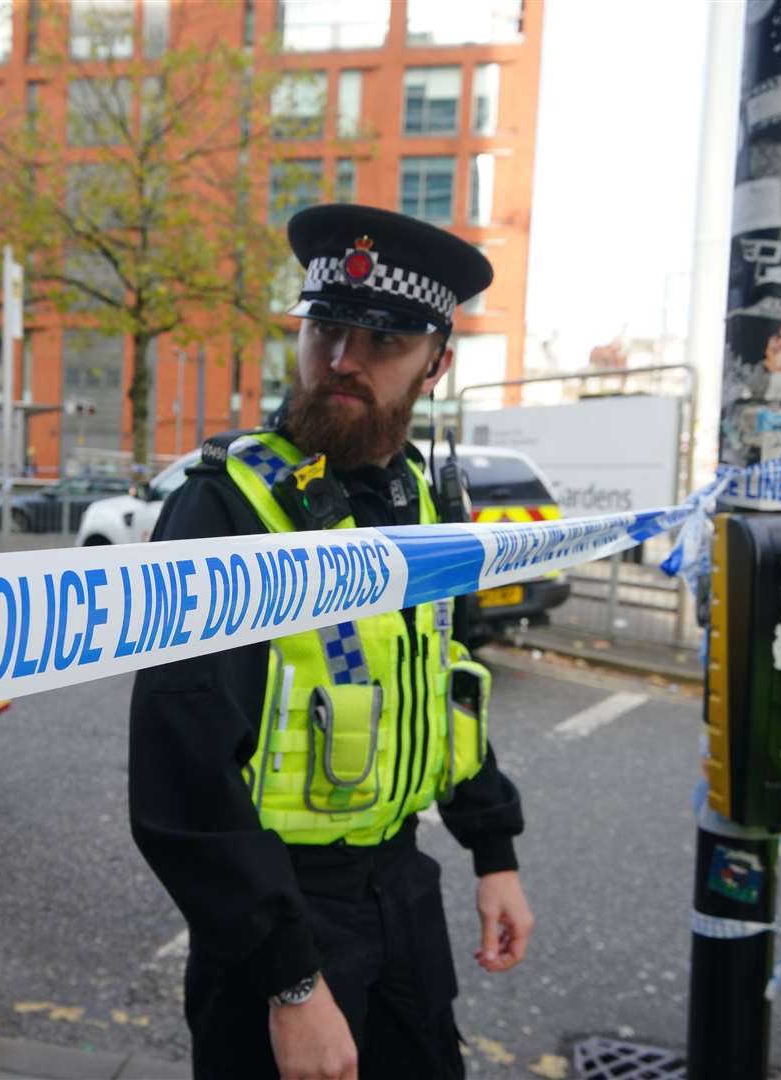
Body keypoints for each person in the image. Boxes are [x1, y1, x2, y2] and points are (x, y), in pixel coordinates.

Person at [128, 204, 532, 1080]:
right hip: (277, 920)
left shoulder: (428, 502)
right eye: (325, 332)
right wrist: (290, 984)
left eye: (381, 343)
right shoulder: (224, 506)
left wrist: (491, 850)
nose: (343, 363)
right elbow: (182, 773)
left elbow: (446, 684)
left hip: (401, 891)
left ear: (437, 364)